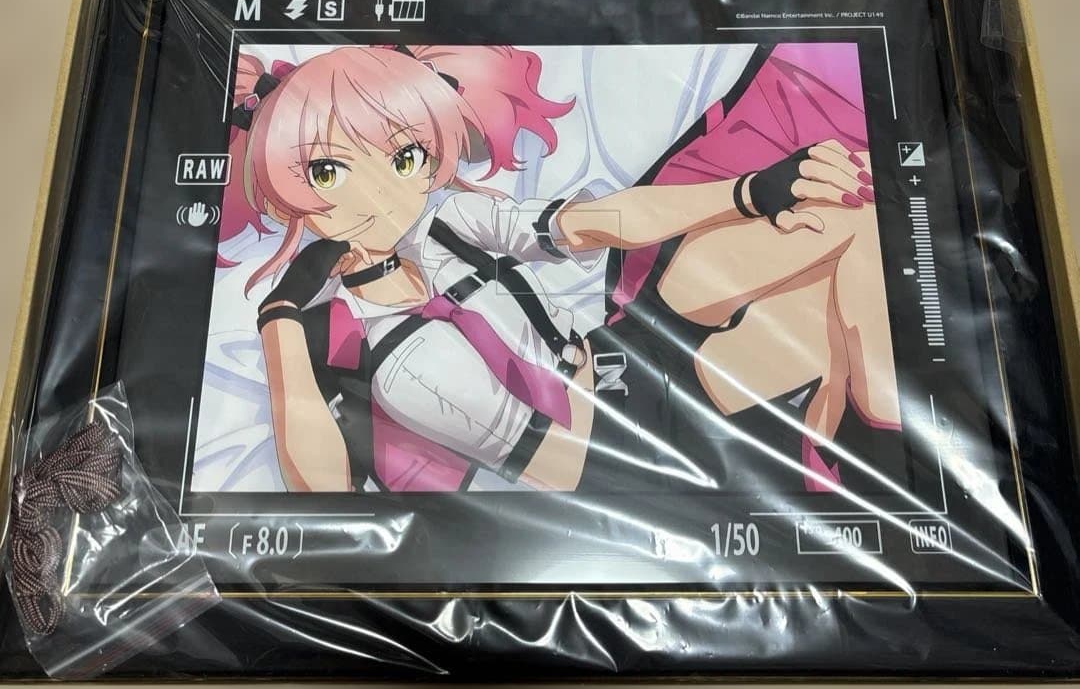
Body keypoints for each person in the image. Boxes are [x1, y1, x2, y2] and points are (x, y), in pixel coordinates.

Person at [222, 43, 898, 495]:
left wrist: (749, 192)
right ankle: (890, 447)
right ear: (286, 192)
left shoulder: (446, 224)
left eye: (405, 158)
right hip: (621, 460)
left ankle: (886, 436)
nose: (383, 194)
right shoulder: (325, 334)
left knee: (845, 213)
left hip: (630, 362)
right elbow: (320, 493)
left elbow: (590, 223)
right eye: (329, 172)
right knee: (847, 268)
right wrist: (279, 319)